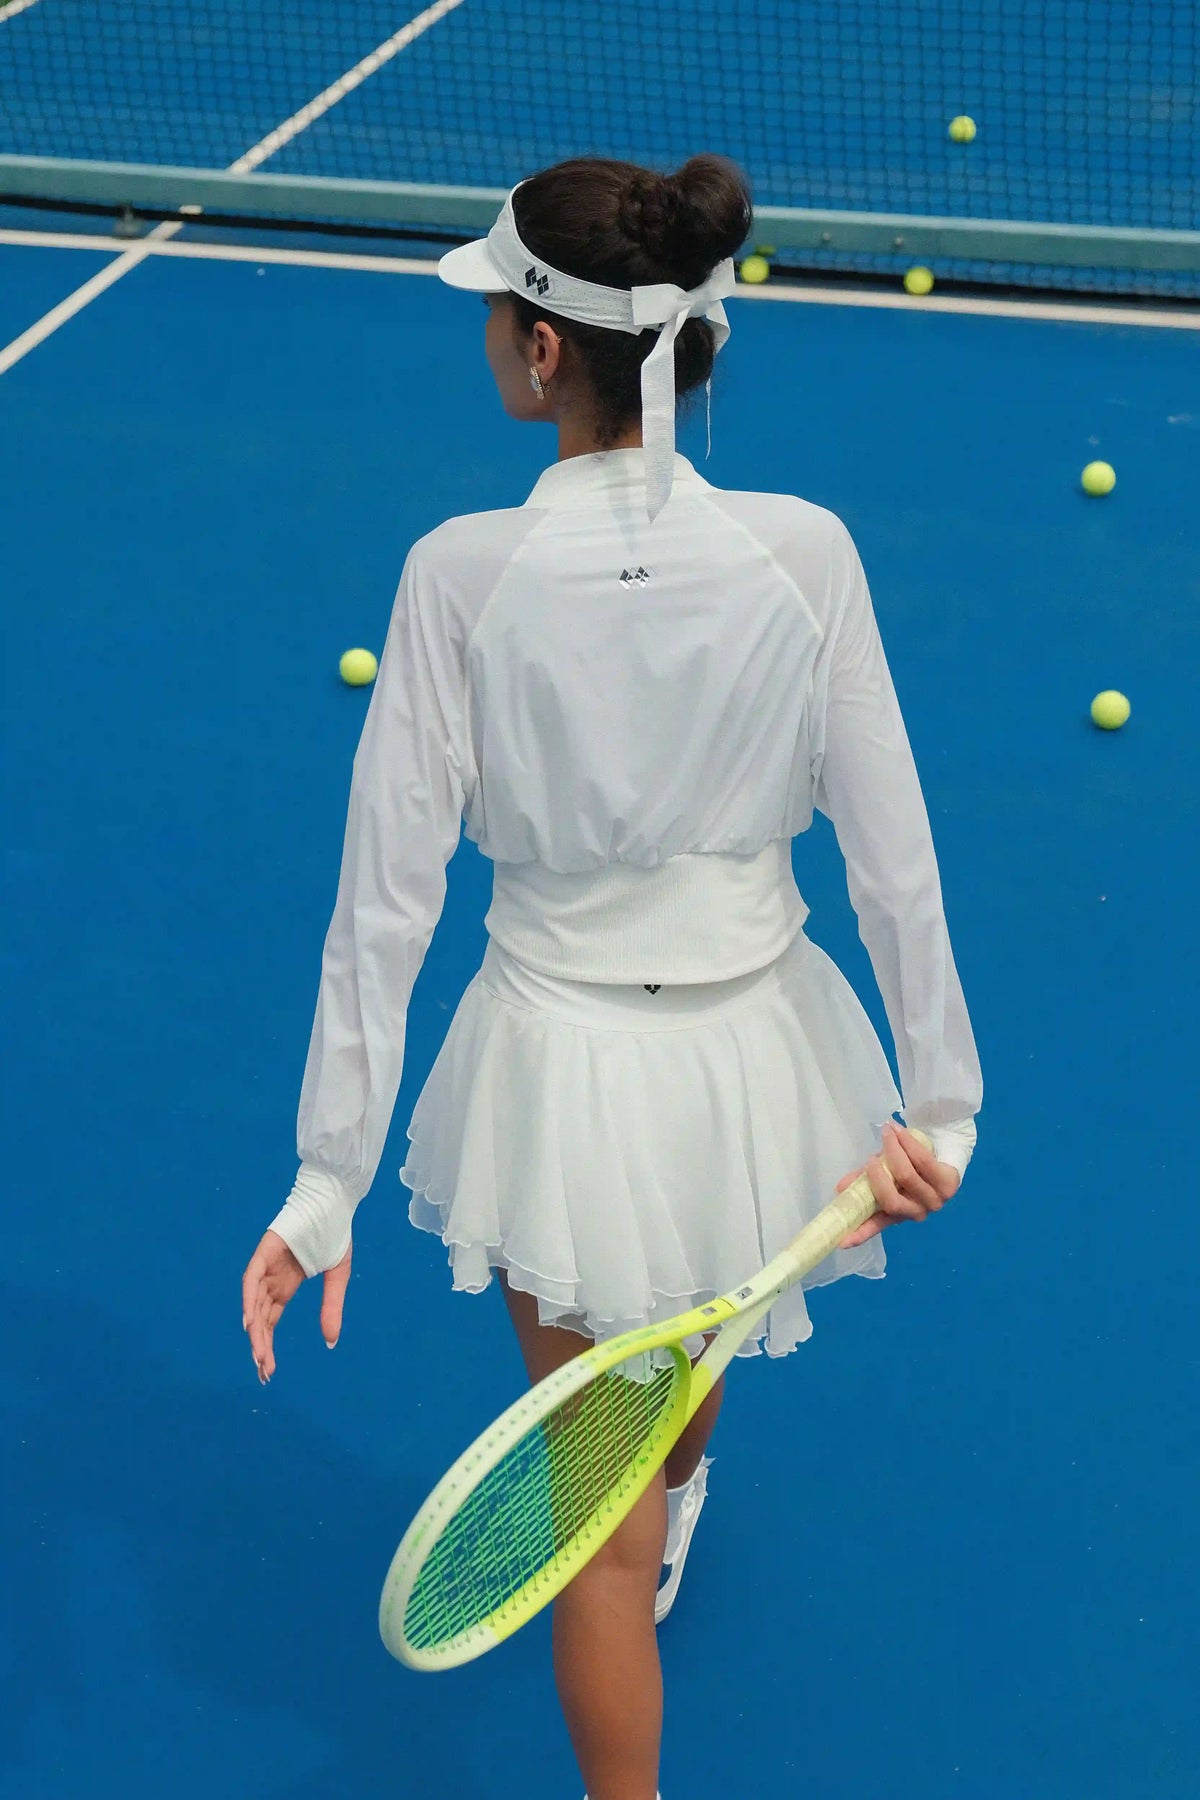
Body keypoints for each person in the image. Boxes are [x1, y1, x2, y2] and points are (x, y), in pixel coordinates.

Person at [242, 153, 982, 1800]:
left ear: (544, 349)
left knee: (596, 1536)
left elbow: (384, 905)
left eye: (494, 312)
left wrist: (327, 1178)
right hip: (763, 1066)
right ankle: (673, 1480)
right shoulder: (809, 552)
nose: (485, 338)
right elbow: (896, 855)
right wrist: (943, 1110)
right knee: (660, 1405)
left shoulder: (456, 574)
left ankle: (648, 1540)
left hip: (560, 1077)